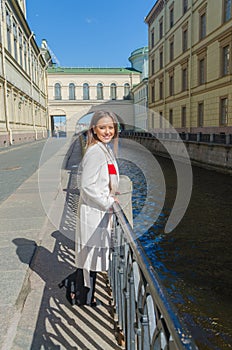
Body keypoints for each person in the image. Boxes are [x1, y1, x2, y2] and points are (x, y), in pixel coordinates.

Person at [75, 110, 120, 306]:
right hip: (94, 212)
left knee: (90, 257)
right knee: (89, 257)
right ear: (94, 129)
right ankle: (84, 299)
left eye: (111, 127)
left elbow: (106, 177)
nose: (107, 131)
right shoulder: (95, 152)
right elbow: (86, 186)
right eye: (103, 127)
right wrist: (108, 201)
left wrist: (111, 191)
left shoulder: (104, 149)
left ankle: (85, 295)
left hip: (98, 210)